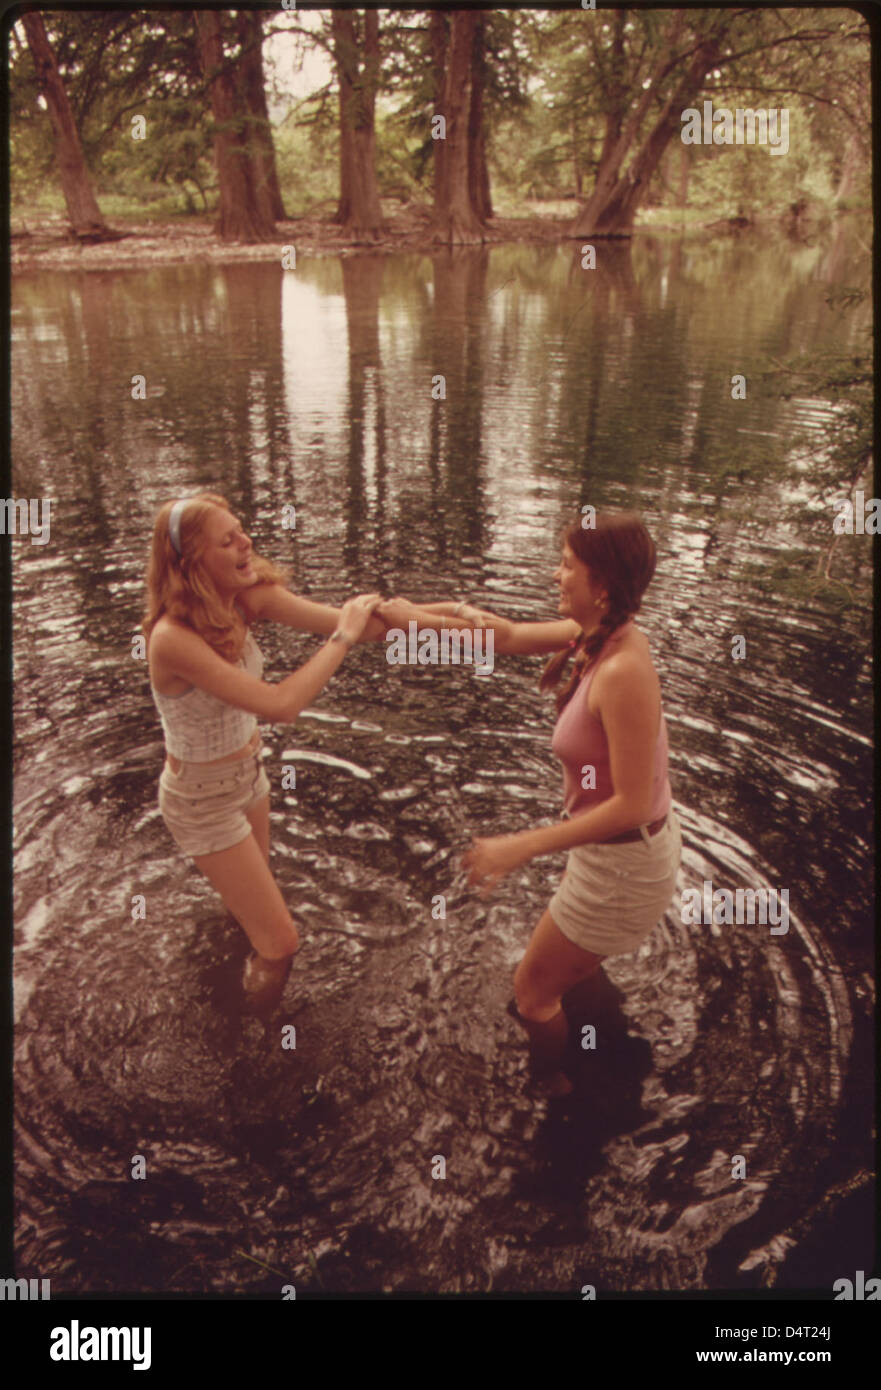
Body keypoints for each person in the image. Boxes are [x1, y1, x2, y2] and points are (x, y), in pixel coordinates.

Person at [142, 492, 480, 1011]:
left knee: (252, 917)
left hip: (247, 779)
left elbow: (364, 624)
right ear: (192, 562)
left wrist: (460, 620)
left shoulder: (244, 598)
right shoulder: (171, 639)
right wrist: (342, 639)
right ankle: (250, 1037)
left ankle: (237, 983)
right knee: (281, 944)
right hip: (200, 800)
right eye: (227, 539)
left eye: (242, 530)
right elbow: (282, 705)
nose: (245, 542)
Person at [454, 512, 681, 1095]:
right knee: (571, 968)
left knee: (531, 992)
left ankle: (552, 1087)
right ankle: (592, 1023)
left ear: (601, 582)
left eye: (567, 566)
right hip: (614, 860)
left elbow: (631, 804)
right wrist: (391, 617)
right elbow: (501, 636)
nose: (556, 576)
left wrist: (519, 847)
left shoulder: (624, 669)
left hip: (622, 867)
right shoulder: (598, 633)